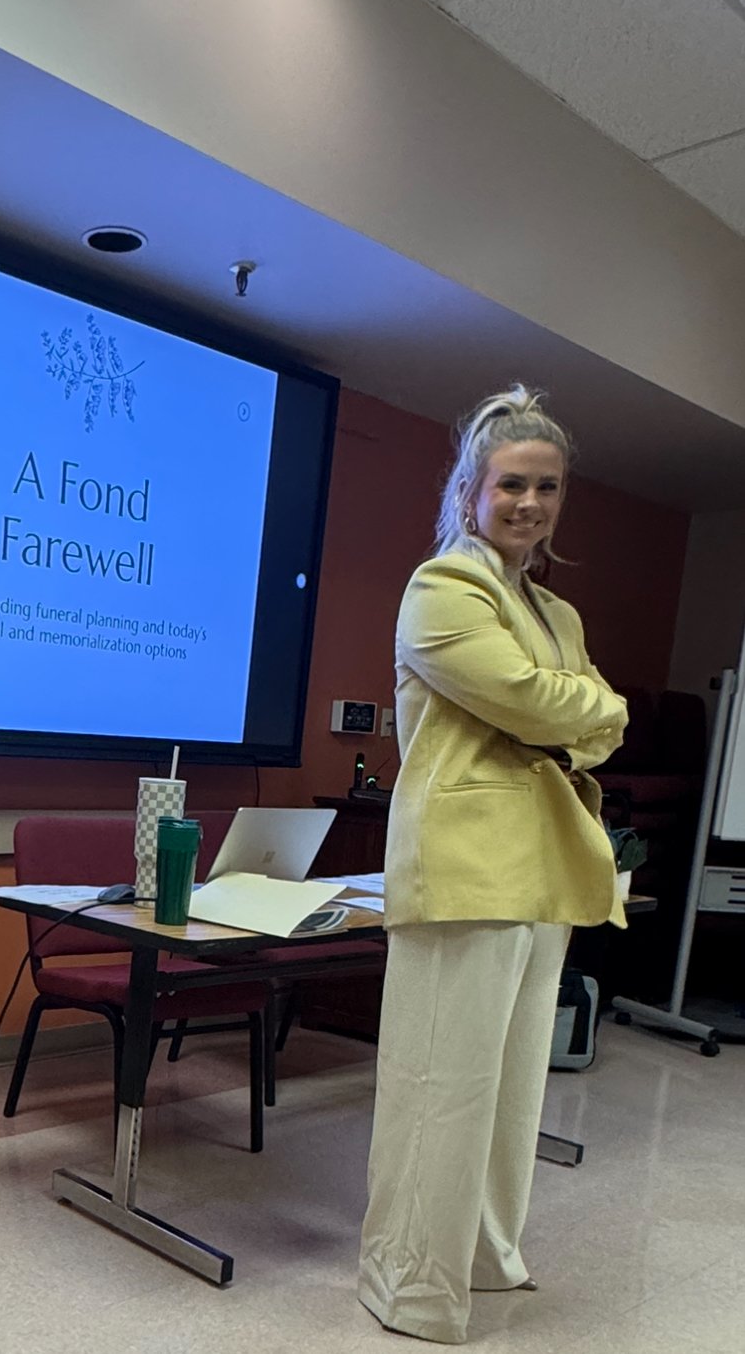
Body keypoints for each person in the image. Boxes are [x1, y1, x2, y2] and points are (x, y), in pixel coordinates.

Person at [358, 386, 629, 1345]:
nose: (530, 503)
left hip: (542, 866)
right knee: (440, 1087)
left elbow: (595, 722)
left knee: (512, 1090)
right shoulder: (443, 586)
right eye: (511, 483)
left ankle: (483, 1258)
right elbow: (537, 703)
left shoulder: (555, 608)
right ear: (472, 490)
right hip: (465, 864)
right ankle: (412, 1289)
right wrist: (581, 709)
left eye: (547, 487)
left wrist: (582, 711)